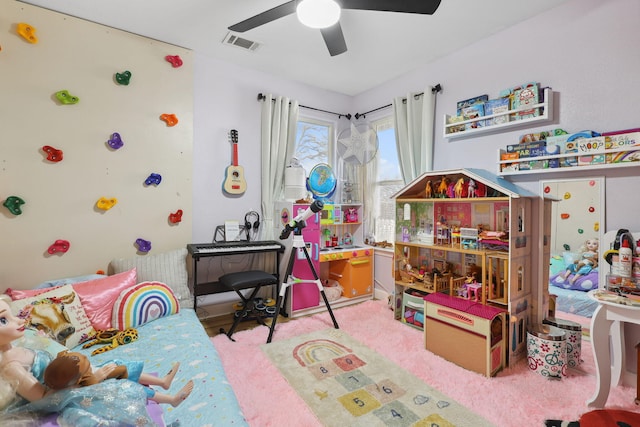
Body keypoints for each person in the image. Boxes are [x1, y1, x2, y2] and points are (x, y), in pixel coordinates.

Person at [0, 294, 192, 424]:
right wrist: (92, 379)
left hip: (67, 379)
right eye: (3, 320)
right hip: (62, 393)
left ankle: (163, 383)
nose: (18, 320)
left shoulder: (16, 348)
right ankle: (171, 400)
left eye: (11, 315)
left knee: (115, 365)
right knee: (117, 385)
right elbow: (43, 400)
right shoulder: (11, 367)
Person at [44, 350, 193, 407]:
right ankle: (171, 400)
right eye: (87, 367)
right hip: (105, 391)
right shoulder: (73, 389)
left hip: (102, 380)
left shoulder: (69, 376)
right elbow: (90, 392)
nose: (89, 366)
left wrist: (98, 373)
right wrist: (96, 378)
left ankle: (163, 382)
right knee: (132, 387)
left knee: (120, 365)